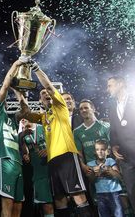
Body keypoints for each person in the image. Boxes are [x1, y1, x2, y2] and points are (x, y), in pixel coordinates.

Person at [17, 59, 93, 217]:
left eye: (47, 93)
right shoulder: (44, 117)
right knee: (59, 200)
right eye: (42, 94)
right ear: (40, 100)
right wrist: (18, 91)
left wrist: (36, 68)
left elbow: (49, 87)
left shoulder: (60, 107)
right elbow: (25, 112)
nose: (46, 94)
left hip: (67, 156)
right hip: (52, 161)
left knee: (77, 196)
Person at [0, 60, 24, 217]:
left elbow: (26, 109)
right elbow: (4, 87)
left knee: (18, 206)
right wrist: (16, 65)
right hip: (3, 159)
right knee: (7, 204)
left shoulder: (12, 119)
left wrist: (17, 91)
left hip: (17, 162)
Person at [107, 76, 135, 210]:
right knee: (132, 191)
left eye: (110, 85)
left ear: (121, 84)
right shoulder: (112, 105)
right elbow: (113, 128)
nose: (108, 89)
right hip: (125, 157)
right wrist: (113, 146)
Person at [20, 120, 54, 217]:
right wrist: (26, 155)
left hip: (53, 170)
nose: (22, 120)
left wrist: (49, 150)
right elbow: (26, 151)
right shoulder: (23, 134)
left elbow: (57, 140)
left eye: (24, 117)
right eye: (20, 119)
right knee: (46, 206)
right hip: (38, 173)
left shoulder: (43, 126)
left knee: (61, 201)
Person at [86, 140, 123, 217]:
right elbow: (91, 180)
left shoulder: (110, 161)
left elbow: (119, 176)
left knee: (119, 215)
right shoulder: (90, 164)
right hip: (100, 195)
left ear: (108, 151)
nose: (100, 152)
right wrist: (95, 173)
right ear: (94, 152)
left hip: (114, 193)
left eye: (102, 149)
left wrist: (109, 170)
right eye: (97, 149)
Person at [73, 99, 110, 166]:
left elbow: (113, 146)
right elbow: (79, 153)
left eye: (86, 108)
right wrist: (83, 166)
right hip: (92, 169)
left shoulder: (106, 126)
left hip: (109, 165)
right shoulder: (77, 132)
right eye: (81, 109)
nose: (83, 110)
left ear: (93, 109)